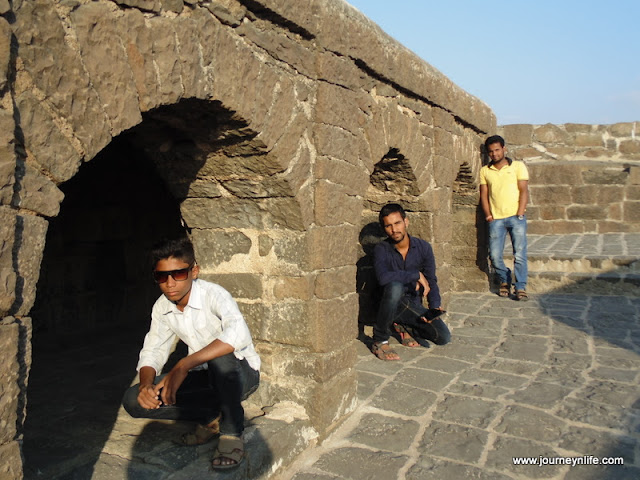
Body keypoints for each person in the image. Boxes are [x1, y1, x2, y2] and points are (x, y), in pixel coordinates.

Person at [122, 236, 260, 470]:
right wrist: (146, 385)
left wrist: (183, 364)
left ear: (193, 271)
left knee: (220, 358)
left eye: (178, 274)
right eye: (161, 276)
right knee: (133, 401)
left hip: (240, 375)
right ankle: (209, 418)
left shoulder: (214, 295)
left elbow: (237, 334)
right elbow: (153, 349)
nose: (170, 283)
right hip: (205, 379)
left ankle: (231, 434)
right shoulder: (162, 306)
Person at [371, 203, 451, 361]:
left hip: (412, 304)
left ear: (406, 222)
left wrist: (434, 307)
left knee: (443, 337)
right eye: (388, 226)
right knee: (394, 286)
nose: (394, 230)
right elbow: (383, 278)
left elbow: (431, 280)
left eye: (397, 223)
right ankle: (380, 340)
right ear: (384, 229)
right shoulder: (382, 249)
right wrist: (414, 275)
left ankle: (403, 325)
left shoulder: (423, 247)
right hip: (390, 303)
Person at [479, 135, 530, 301]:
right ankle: (505, 278)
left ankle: (520, 286)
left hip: (516, 216)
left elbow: (523, 190)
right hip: (496, 219)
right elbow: (484, 194)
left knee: (520, 253)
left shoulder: (517, 166)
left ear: (504, 149)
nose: (494, 154)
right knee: (494, 255)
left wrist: (520, 212)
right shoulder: (485, 171)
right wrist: (488, 215)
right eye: (491, 152)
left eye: (497, 150)